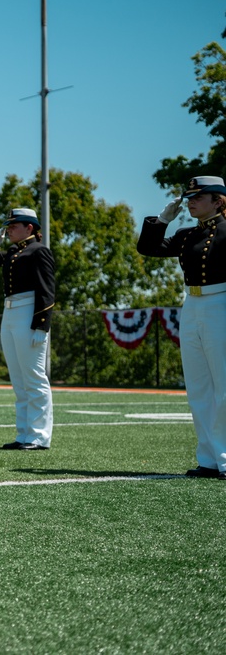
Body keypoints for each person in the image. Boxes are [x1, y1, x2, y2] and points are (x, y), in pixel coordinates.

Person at [138, 176, 226, 479]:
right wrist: (162, 220)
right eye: (188, 197)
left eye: (198, 197)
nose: (190, 202)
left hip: (222, 303)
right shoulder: (188, 234)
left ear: (218, 201)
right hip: (193, 305)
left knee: (224, 385)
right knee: (199, 387)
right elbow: (149, 248)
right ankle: (209, 459)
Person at [0, 207, 55, 450]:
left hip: (28, 312)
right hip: (10, 312)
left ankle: (39, 436)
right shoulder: (15, 251)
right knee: (18, 378)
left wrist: (41, 325)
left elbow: (47, 291)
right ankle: (24, 434)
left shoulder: (39, 251)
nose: (9, 229)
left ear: (30, 228)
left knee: (34, 378)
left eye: (14, 226)